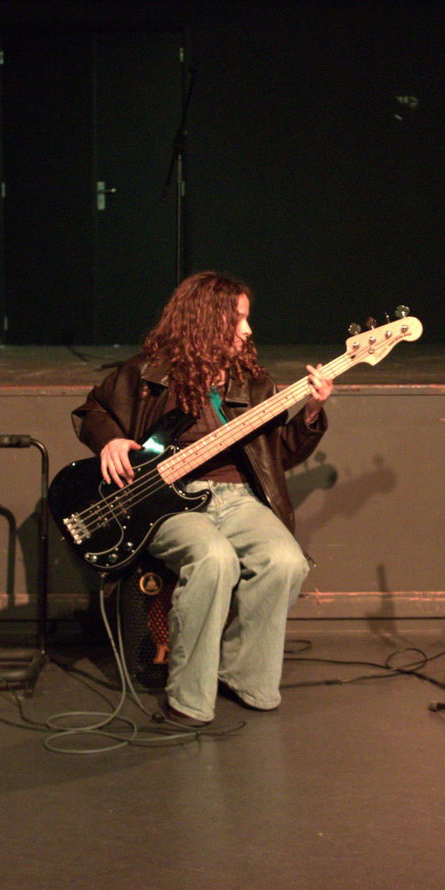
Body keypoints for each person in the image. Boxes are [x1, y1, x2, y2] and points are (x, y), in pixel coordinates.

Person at [73, 272, 331, 726]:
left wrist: (312, 412)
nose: (247, 330)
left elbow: (279, 455)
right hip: (166, 499)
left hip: (238, 496)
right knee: (213, 559)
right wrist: (110, 440)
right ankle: (189, 697)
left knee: (285, 562)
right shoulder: (148, 373)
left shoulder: (253, 383)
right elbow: (93, 409)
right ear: (207, 320)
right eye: (238, 319)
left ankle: (241, 674)